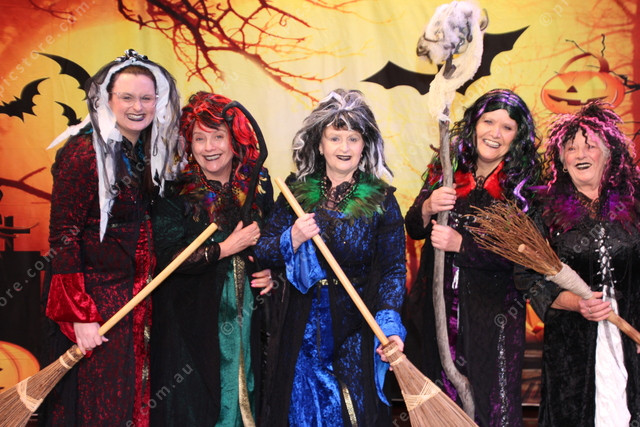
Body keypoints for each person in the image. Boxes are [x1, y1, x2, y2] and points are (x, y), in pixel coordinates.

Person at [43, 49, 181, 426]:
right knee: (97, 405)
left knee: (130, 401)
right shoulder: (83, 153)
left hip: (135, 302)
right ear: (107, 99)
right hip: (97, 307)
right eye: (127, 97)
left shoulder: (147, 151)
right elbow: (64, 236)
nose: (138, 107)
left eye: (146, 98)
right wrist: (79, 315)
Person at [254, 89, 406, 426]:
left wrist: (389, 325)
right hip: (301, 326)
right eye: (335, 138)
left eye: (353, 138)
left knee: (351, 411)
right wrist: (292, 237)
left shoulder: (382, 199)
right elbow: (262, 250)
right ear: (319, 144)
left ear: (364, 144)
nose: (344, 147)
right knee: (303, 411)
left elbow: (394, 270)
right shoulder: (296, 191)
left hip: (357, 325)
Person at [403, 89, 542, 426]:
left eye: (507, 127)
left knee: (490, 403)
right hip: (436, 311)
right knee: (437, 403)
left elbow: (528, 258)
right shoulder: (448, 169)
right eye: (488, 122)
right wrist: (428, 206)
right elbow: (414, 227)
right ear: (474, 125)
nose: (495, 133)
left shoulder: (523, 188)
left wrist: (463, 246)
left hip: (493, 317)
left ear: (518, 137)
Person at [149, 92, 274, 426]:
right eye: (199, 138)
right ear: (188, 143)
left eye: (218, 136)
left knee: (247, 386)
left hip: (247, 313)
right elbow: (166, 258)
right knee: (197, 400)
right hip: (191, 316)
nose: (209, 147)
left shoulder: (258, 183)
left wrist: (270, 274)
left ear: (235, 140)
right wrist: (224, 248)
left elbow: (272, 243)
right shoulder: (174, 189)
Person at [515, 102, 640, 426]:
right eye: (571, 148)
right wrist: (574, 303)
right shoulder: (544, 209)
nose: (580, 154)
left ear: (609, 154)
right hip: (572, 344)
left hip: (632, 337)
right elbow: (527, 275)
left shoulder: (636, 202)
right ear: (562, 159)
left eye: (590, 146)